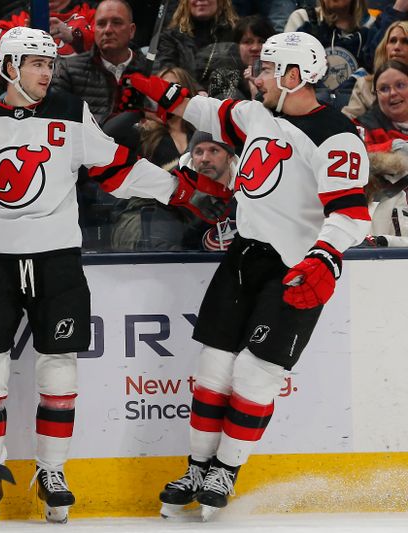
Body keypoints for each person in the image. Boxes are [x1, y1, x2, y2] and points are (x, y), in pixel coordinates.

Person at [0, 26, 231, 526]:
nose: (49, 72)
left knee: (59, 366)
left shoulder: (68, 111)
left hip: (56, 260)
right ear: (10, 67)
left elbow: (116, 167)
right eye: (38, 64)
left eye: (50, 63)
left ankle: (53, 472)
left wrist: (179, 188)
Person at [121, 31, 371, 519]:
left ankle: (226, 470)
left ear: (293, 75)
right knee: (212, 370)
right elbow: (203, 109)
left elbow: (352, 216)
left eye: (266, 69)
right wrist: (153, 87)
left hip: (296, 267)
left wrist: (324, 257)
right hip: (243, 258)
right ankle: (198, 466)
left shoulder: (337, 135)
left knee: (256, 375)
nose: (256, 77)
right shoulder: (258, 116)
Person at [52, 0, 144, 138]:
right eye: (101, 24)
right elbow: (57, 123)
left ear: (131, 31)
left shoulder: (152, 70)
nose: (107, 30)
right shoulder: (69, 70)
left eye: (116, 23)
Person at [0, 1, 97, 81]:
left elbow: (111, 56)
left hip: (84, 96)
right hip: (28, 99)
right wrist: (22, 44)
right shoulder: (13, 20)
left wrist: (76, 37)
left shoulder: (94, 12)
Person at [153, 0, 239, 90]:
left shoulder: (236, 33)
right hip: (185, 96)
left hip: (226, 97)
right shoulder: (170, 36)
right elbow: (167, 70)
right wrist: (196, 90)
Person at [343, 20, 408, 118]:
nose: (397, 47)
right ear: (384, 48)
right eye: (392, 41)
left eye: (405, 42)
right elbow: (347, 124)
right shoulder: (365, 86)